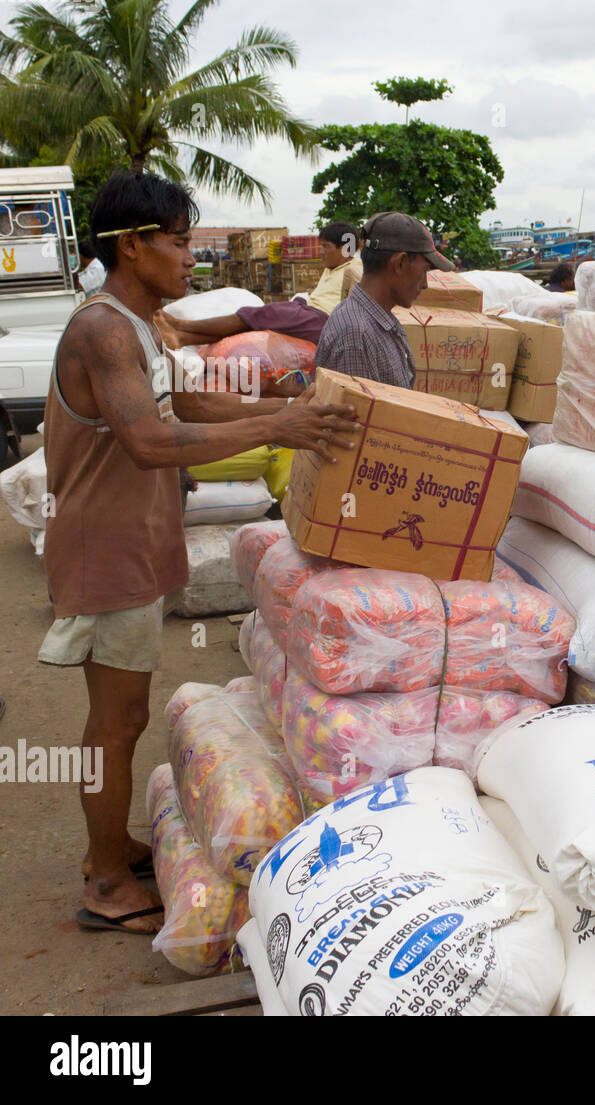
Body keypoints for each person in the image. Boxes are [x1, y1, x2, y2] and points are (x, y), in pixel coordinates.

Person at [41, 171, 361, 935]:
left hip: (136, 544)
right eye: (179, 242)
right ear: (132, 245)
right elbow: (152, 441)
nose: (191, 258)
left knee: (125, 713)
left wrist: (286, 405)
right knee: (114, 724)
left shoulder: (143, 323)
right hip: (104, 551)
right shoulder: (103, 328)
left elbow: (180, 404)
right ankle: (107, 881)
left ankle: (110, 845)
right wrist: (275, 431)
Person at [155, 222, 389, 348]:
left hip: (319, 319)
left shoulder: (353, 268)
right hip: (308, 311)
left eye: (325, 247)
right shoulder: (332, 269)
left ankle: (182, 325)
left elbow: (363, 304)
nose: (321, 252)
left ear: (345, 248)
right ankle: (184, 338)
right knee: (252, 324)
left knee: (253, 315)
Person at [313, 211, 443, 388]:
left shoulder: (379, 321)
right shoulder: (357, 336)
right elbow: (362, 414)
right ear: (400, 263)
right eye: (425, 271)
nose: (425, 284)